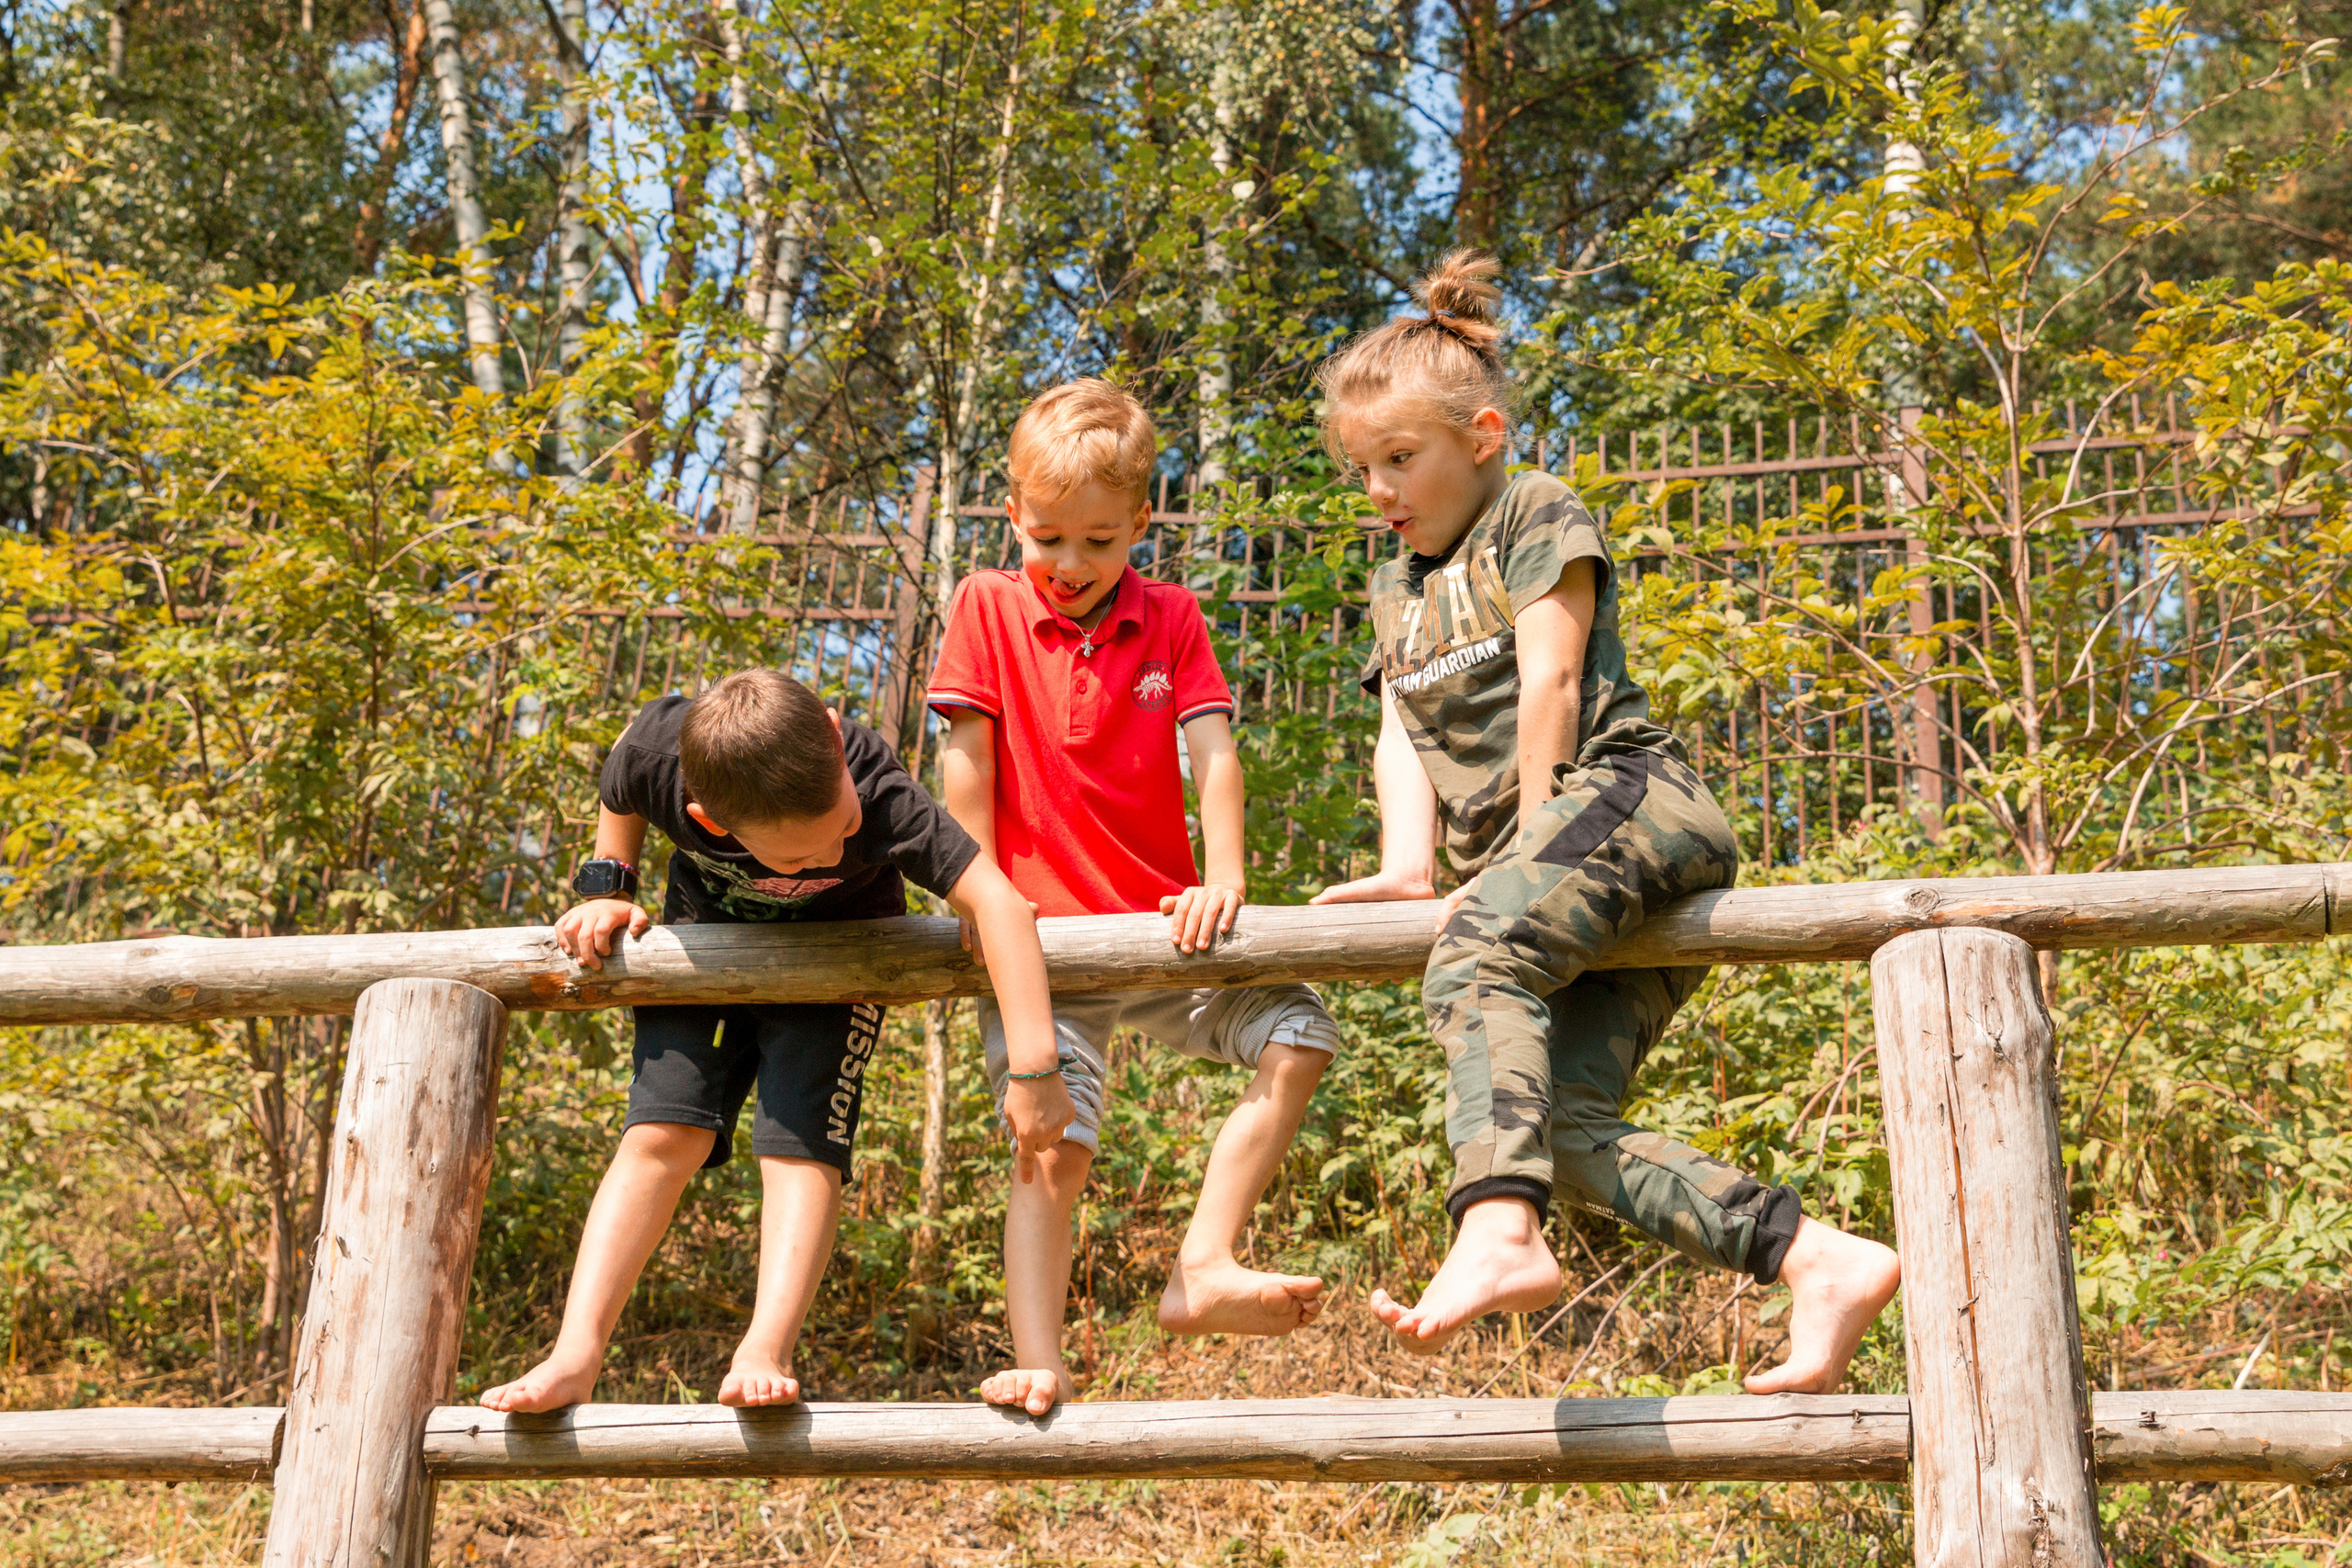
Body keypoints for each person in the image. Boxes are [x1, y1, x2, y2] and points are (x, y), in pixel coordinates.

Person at [1308, 252, 1900, 1393]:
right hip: (1551, 877)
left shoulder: (1530, 509)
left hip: (1629, 803)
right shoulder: (1396, 587)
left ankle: (1496, 1228)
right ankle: (1815, 1258)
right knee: (1561, 1128)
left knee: (1472, 954)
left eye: (1400, 458)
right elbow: (1401, 734)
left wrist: (1525, 854)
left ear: (1481, 436)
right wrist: (1405, 869)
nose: (1379, 489)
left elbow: (1553, 679)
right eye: (1362, 468)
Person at [480, 670, 1069, 1413]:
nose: (830, 850)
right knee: (660, 1134)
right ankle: (574, 1353)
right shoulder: (661, 756)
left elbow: (1001, 903)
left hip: (841, 958)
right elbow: (619, 775)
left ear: (834, 735)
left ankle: (766, 1346)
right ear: (708, 819)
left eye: (843, 826)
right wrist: (609, 888)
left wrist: (1035, 1069)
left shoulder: (877, 789)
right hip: (703, 941)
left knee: (798, 1141)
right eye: (795, 858)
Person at [927, 378, 1343, 1416]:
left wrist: (1224, 879)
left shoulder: (1171, 617)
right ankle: (1039, 1359)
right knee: (1052, 1145)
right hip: (1040, 943)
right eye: (1047, 538)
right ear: (1012, 514)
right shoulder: (986, 604)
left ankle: (1203, 1262)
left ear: (1142, 524)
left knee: (1300, 1034)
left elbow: (1214, 753)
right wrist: (980, 892)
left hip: (1163, 927)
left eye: (1099, 541)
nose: (1069, 564)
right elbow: (964, 758)